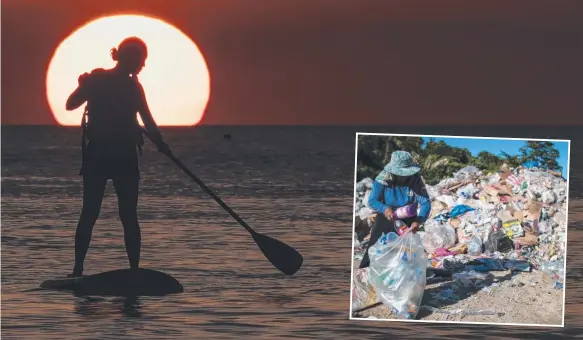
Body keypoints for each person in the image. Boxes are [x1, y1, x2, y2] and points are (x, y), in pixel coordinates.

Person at [65, 36, 170, 277]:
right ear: (130, 59)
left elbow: (147, 121)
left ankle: (81, 269)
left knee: (102, 213)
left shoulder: (105, 81)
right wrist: (84, 86)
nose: (143, 65)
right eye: (141, 60)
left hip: (107, 155)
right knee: (117, 215)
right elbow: (71, 104)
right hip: (113, 155)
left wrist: (161, 144)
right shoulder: (114, 83)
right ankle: (85, 269)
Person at [359, 150, 431, 269]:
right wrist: (385, 209)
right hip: (386, 214)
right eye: (401, 174)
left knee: (405, 250)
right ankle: (367, 272)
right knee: (377, 245)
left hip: (408, 215)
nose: (404, 176)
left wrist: (418, 221)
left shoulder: (415, 180)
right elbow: (372, 201)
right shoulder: (382, 180)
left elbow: (425, 202)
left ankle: (403, 277)